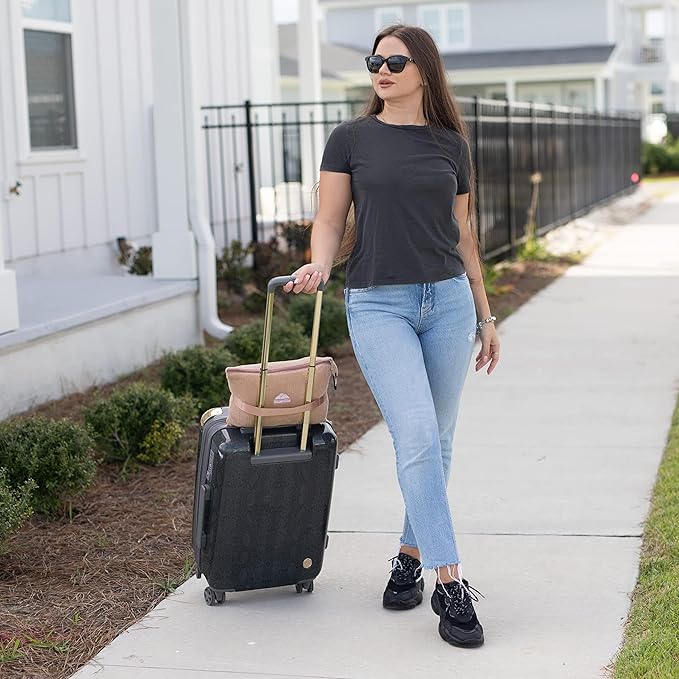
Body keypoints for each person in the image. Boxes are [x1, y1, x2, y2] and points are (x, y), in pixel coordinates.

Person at [283, 24, 500, 648]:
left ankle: (409, 556)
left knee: (440, 439)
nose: (381, 69)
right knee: (417, 434)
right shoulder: (350, 138)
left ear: (424, 70)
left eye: (395, 61)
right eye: (375, 60)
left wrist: (485, 315)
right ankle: (450, 582)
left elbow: (463, 235)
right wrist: (320, 264)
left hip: (449, 304)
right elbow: (330, 219)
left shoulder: (451, 145)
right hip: (379, 303)